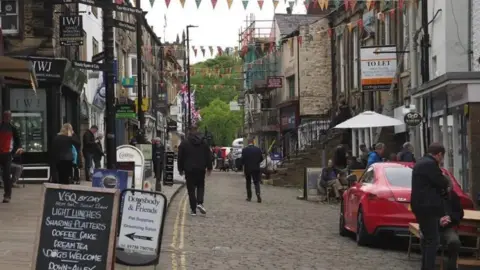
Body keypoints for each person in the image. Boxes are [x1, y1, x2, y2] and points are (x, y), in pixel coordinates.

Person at [411, 142, 450, 270]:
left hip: (420, 206)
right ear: (439, 154)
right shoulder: (430, 164)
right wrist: (446, 179)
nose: (442, 160)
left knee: (427, 238)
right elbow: (441, 182)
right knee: (432, 240)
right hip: (428, 207)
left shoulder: (421, 162)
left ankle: (425, 266)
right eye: (442, 157)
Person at [177, 124, 212, 216]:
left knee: (191, 189)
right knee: (200, 186)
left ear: (189, 131)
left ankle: (193, 210)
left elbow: (180, 157)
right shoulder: (203, 142)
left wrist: (180, 169)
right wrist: (209, 167)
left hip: (189, 169)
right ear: (197, 130)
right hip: (201, 168)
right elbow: (208, 155)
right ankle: (200, 203)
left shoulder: (184, 143)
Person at [0, 111, 23, 203]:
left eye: (8, 116)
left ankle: (7, 195)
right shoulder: (10, 127)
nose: (7, 118)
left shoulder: (13, 128)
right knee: (6, 175)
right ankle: (7, 195)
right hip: (6, 153)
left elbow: (18, 142)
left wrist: (12, 153)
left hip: (7, 154)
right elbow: (18, 142)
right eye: (6, 116)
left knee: (6, 175)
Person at [241, 138, 263, 203]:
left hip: (247, 168)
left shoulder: (244, 150)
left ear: (248, 143)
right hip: (256, 168)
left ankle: (249, 197)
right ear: (253, 142)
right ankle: (258, 194)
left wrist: (244, 164)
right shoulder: (258, 149)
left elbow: (242, 160)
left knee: (248, 182)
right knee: (256, 182)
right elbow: (261, 159)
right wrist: (256, 162)